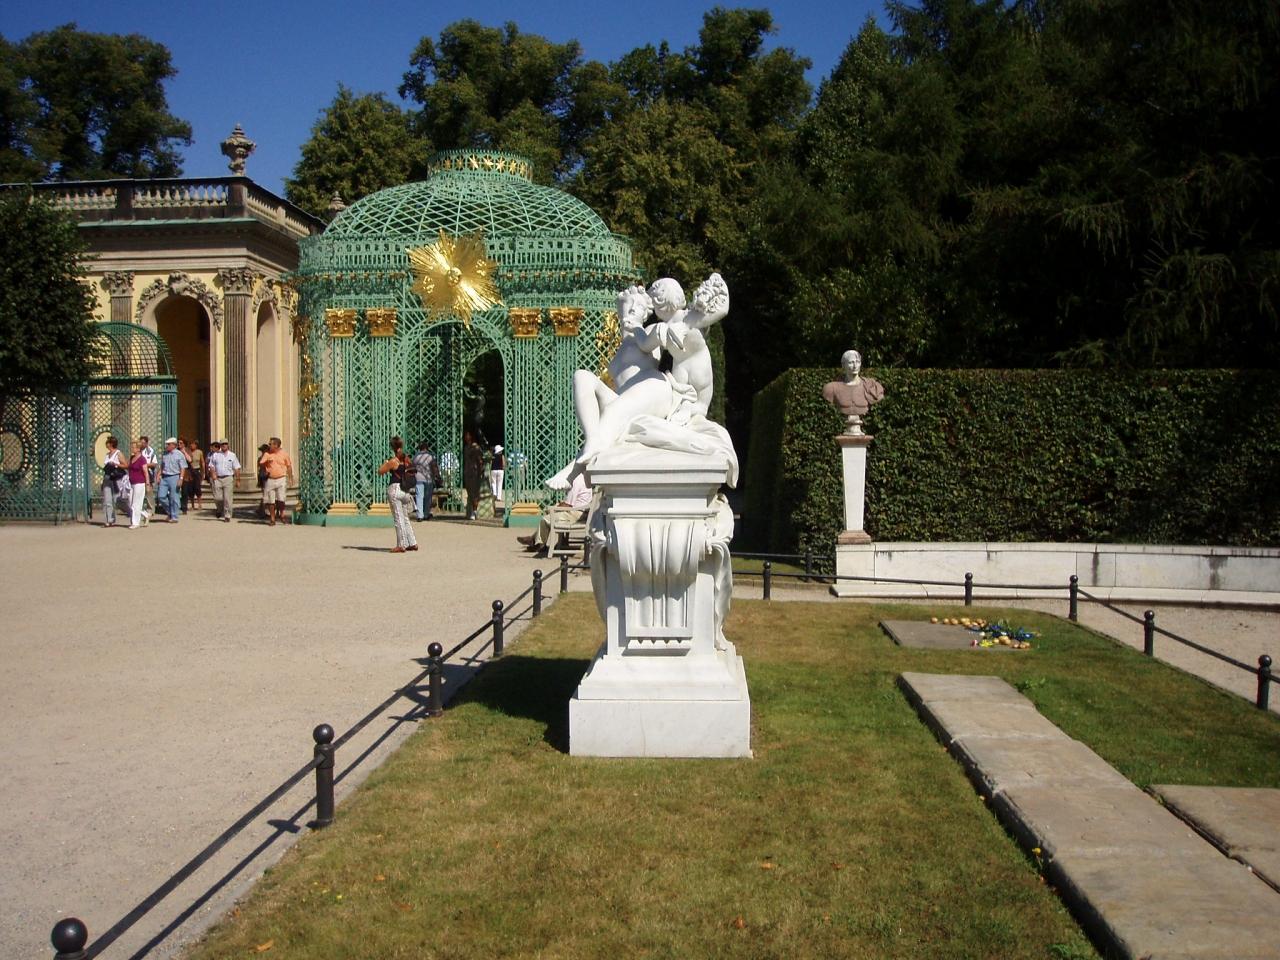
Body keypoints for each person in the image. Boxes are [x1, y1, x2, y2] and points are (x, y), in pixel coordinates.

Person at [516, 472, 593, 557]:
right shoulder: (586, 479)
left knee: (545, 519)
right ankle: (534, 540)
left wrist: (554, 509)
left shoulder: (577, 481)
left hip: (574, 514)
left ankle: (539, 544)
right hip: (581, 513)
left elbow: (568, 505)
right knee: (550, 515)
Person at [821, 349, 885, 436]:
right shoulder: (832, 388)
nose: (855, 366)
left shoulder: (872, 386)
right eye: (851, 362)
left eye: (857, 362)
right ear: (843, 365)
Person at [377, 436, 418, 553]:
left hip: (395, 489)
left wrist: (386, 463)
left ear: (392, 447)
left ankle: (401, 545)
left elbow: (380, 471)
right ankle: (412, 542)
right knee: (405, 518)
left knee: (398, 518)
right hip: (406, 491)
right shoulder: (407, 460)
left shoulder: (393, 461)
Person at [258, 437, 293, 526]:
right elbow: (261, 463)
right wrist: (265, 467)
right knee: (271, 500)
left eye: (271, 444)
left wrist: (290, 478)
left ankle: (282, 514)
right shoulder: (267, 454)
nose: (269, 445)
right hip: (270, 479)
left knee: (281, 499)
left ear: (276, 445)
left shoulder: (284, 454)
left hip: (281, 478)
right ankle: (272, 518)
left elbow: (289, 466)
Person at [155, 437, 188, 522]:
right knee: (161, 496)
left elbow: (183, 467)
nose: (167, 446)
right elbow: (162, 466)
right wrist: (158, 475)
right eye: (166, 444)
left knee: (174, 497)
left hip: (174, 476)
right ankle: (170, 512)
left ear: (174, 445)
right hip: (165, 477)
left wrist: (181, 478)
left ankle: (174, 516)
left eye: (168, 444)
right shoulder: (165, 454)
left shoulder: (179, 454)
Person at [207, 440, 241, 522]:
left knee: (227, 498)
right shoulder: (215, 455)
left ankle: (227, 515)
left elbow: (237, 468)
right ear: (220, 446)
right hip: (218, 478)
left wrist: (238, 480)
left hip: (228, 478)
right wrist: (213, 474)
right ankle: (219, 509)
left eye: (225, 444)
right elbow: (211, 466)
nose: (224, 445)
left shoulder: (232, 455)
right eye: (222, 444)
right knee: (217, 497)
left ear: (228, 445)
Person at [100, 435, 128, 527]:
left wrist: (116, 464)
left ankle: (131, 512)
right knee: (107, 500)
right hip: (107, 477)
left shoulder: (118, 453)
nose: (106, 444)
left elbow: (125, 465)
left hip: (116, 478)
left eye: (108, 442)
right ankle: (109, 520)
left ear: (111, 444)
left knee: (117, 500)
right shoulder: (107, 455)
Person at [126, 440, 152, 528]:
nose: (132, 449)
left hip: (139, 483)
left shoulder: (142, 459)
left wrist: (147, 484)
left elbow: (145, 472)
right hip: (131, 483)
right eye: (131, 447)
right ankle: (146, 514)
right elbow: (129, 467)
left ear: (138, 449)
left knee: (136, 504)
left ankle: (135, 523)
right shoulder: (132, 458)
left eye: (133, 447)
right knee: (130, 503)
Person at [412, 441, 439, 521]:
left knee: (419, 496)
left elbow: (413, 467)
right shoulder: (430, 456)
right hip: (428, 478)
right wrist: (437, 476)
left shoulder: (416, 456)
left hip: (418, 478)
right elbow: (434, 467)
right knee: (428, 497)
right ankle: (426, 514)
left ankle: (420, 515)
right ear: (427, 448)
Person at [462, 430, 483, 521]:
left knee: (474, 493)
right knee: (470, 493)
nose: (466, 437)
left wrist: (480, 472)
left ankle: (474, 511)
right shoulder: (466, 447)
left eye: (467, 435)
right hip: (468, 472)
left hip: (474, 473)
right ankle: (472, 511)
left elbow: (480, 461)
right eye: (465, 435)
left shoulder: (476, 447)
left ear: (471, 436)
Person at [181, 438, 204, 514]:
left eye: (193, 444)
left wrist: (203, 472)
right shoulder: (188, 451)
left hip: (196, 470)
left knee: (197, 487)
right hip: (189, 471)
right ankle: (192, 504)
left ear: (196, 445)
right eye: (191, 444)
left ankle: (199, 504)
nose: (192, 445)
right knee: (190, 489)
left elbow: (202, 462)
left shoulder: (199, 452)